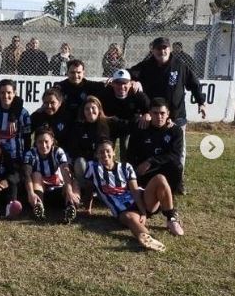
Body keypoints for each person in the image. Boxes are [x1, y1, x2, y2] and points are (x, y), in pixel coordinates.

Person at [129, 36, 206, 194]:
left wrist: (201, 102)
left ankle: (178, 181)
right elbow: (130, 73)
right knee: (151, 147)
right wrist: (131, 80)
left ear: (170, 49)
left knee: (179, 151)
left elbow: (194, 84)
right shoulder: (146, 66)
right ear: (153, 50)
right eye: (158, 48)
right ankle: (143, 177)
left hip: (176, 117)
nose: (162, 51)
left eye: (165, 48)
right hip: (154, 116)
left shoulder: (180, 66)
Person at [84, 140, 184, 252]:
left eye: (108, 151)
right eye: (101, 152)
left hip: (142, 201)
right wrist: (88, 208)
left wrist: (143, 212)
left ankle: (171, 218)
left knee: (160, 178)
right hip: (124, 210)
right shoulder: (92, 167)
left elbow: (135, 191)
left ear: (114, 152)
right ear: (97, 154)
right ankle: (147, 237)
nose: (105, 155)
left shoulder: (126, 167)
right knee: (130, 218)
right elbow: (89, 188)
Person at [67, 95, 127, 189]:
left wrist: (145, 117)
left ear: (99, 109)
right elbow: (73, 150)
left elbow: (130, 126)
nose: (90, 111)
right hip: (87, 161)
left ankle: (107, 189)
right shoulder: (78, 127)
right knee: (79, 162)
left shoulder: (110, 122)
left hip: (105, 159)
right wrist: (92, 156)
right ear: (83, 111)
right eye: (87, 109)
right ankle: (84, 190)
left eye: (93, 108)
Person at [23, 127, 80, 223]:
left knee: (74, 181)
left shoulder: (58, 151)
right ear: (35, 142)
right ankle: (38, 207)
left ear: (52, 141)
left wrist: (69, 191)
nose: (43, 145)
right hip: (42, 194)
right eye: (40, 142)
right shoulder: (31, 153)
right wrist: (30, 193)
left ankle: (70, 207)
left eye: (46, 141)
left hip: (60, 193)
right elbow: (27, 175)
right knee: (36, 174)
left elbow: (65, 172)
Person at [127, 98, 183, 193]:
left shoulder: (175, 131)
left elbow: (175, 155)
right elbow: (130, 154)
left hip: (162, 168)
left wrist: (151, 161)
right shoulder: (141, 128)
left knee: (177, 166)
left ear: (168, 113)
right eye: (155, 113)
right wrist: (134, 170)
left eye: (162, 113)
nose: (159, 116)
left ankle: (170, 192)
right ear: (150, 113)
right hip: (145, 170)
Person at [0, 79, 32, 165]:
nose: (6, 96)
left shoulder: (23, 113)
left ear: (14, 93)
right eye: (2, 93)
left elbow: (27, 137)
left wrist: (26, 156)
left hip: (16, 157)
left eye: (9, 92)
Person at [29, 86, 72, 151]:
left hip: (62, 154)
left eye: (52, 103)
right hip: (40, 154)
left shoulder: (66, 117)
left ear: (60, 103)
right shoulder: (37, 115)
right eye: (46, 103)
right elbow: (25, 134)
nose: (49, 106)